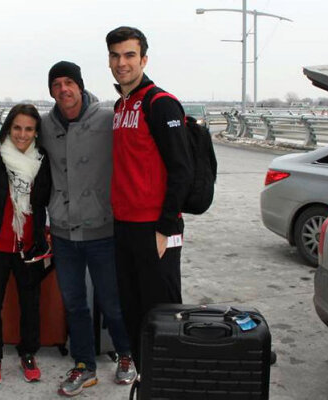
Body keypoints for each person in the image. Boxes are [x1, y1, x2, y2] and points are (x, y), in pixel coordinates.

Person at [40, 61, 136, 397]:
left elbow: (138, 150)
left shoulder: (107, 118)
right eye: (56, 84)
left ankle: (126, 354)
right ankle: (84, 365)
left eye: (69, 82)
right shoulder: (45, 124)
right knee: (74, 304)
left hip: (102, 229)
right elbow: (17, 142)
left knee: (112, 301)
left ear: (80, 86)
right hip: (63, 231)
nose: (63, 89)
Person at [106, 26, 194, 369]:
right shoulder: (121, 105)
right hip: (124, 226)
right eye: (115, 56)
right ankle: (146, 378)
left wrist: (166, 227)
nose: (122, 63)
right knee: (133, 311)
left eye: (129, 55)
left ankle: (169, 381)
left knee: (163, 315)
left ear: (143, 59)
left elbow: (182, 170)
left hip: (155, 228)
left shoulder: (161, 103)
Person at [0, 104, 51, 385]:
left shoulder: (42, 160)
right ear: (8, 129)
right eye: (17, 128)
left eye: (29, 129)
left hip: (28, 247)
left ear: (36, 132)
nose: (22, 134)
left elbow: (48, 199)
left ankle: (28, 352)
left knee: (30, 304)